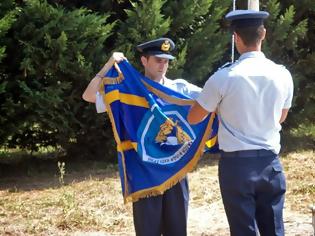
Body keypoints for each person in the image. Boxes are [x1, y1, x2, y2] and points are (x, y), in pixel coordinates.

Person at [187, 10, 294, 236]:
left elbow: (194, 117)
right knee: (274, 229)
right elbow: (281, 117)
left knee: (243, 231)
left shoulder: (223, 77)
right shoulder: (283, 75)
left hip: (236, 166)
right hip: (270, 162)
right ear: (263, 34)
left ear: (235, 38)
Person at [83, 37, 201, 236]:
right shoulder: (128, 90)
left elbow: (213, 99)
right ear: (144, 61)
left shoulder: (179, 88)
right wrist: (108, 66)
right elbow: (89, 96)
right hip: (144, 173)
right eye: (158, 60)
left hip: (174, 172)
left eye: (166, 60)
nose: (163, 65)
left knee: (178, 231)